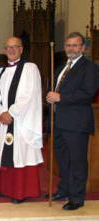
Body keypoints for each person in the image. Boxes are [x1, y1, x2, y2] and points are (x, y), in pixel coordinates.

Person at [46, 32, 98, 210]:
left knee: (77, 161)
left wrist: (60, 97)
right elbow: (55, 89)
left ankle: (77, 197)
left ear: (83, 47)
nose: (71, 48)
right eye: (68, 45)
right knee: (63, 160)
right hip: (59, 122)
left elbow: (87, 93)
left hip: (77, 123)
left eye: (75, 45)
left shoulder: (89, 67)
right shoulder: (62, 67)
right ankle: (64, 189)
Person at [0, 37, 43, 204]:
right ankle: (3, 188)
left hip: (20, 121)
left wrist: (11, 114)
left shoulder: (30, 68)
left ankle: (21, 192)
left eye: (15, 47)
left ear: (21, 49)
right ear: (4, 51)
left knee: (19, 154)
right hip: (2, 120)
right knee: (2, 152)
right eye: (8, 47)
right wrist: (0, 112)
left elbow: (28, 95)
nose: (11, 50)